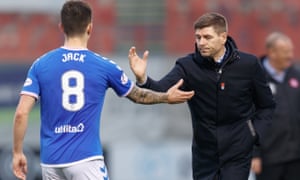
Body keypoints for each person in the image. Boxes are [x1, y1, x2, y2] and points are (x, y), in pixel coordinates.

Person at [12, 1, 195, 180]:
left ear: (61, 27)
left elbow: (21, 113)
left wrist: (17, 153)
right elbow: (138, 96)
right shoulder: (104, 66)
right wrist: (166, 97)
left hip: (51, 162)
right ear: (90, 28)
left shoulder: (40, 65)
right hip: (86, 159)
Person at [128, 12, 276, 180]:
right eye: (198, 37)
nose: (201, 43)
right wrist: (143, 78)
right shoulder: (187, 66)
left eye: (207, 37)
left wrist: (254, 135)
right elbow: (161, 88)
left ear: (223, 37)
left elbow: (267, 106)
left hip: (238, 152)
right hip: (205, 155)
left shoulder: (248, 64)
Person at [251, 32, 300, 180]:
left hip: (295, 158)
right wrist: (254, 155)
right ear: (272, 52)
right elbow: (248, 119)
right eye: (286, 52)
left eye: (291, 51)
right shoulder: (255, 78)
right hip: (268, 159)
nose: (290, 56)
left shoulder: (295, 75)